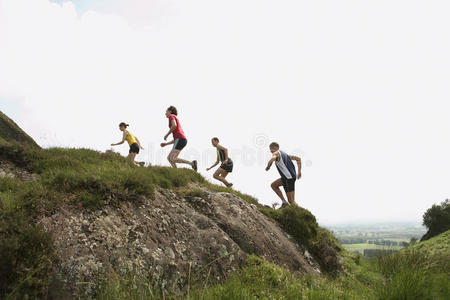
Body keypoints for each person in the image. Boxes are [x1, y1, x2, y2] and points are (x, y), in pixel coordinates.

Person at [160, 106, 197, 170]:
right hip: (181, 140)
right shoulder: (175, 118)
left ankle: (191, 163)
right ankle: (176, 171)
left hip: (180, 140)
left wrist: (167, 135)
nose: (165, 113)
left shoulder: (171, 116)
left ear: (170, 111)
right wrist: (166, 144)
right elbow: (176, 139)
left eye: (166, 111)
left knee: (172, 158)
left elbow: (174, 125)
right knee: (170, 158)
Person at [265, 142, 302, 208]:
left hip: (288, 178)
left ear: (276, 147)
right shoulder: (285, 155)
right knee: (273, 185)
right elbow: (298, 159)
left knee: (291, 201)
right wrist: (299, 172)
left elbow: (272, 159)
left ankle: (302, 213)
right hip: (288, 178)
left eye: (271, 149)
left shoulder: (276, 153)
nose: (271, 151)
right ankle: (284, 202)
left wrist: (268, 166)